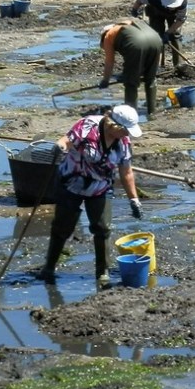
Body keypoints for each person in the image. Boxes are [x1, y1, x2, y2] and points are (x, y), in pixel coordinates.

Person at [36, 104, 143, 288]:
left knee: (102, 228)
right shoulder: (87, 127)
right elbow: (66, 141)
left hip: (100, 187)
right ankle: (49, 268)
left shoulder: (123, 142)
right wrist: (59, 146)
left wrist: (134, 199)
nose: (128, 134)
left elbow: (126, 171)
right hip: (71, 183)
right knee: (62, 227)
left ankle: (102, 272)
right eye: (125, 130)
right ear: (114, 126)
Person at [99, 20, 163, 118]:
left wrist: (105, 80)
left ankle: (130, 117)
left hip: (136, 44)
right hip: (156, 40)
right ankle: (152, 112)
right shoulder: (127, 24)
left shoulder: (108, 36)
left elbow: (109, 62)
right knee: (151, 79)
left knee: (130, 83)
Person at [130, 0, 187, 69]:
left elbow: (180, 20)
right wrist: (134, 10)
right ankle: (155, 65)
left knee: (175, 36)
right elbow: (140, 0)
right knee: (156, 37)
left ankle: (178, 65)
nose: (171, 8)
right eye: (170, 6)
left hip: (174, 15)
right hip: (156, 9)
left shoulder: (182, 4)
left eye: (173, 6)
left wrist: (168, 33)